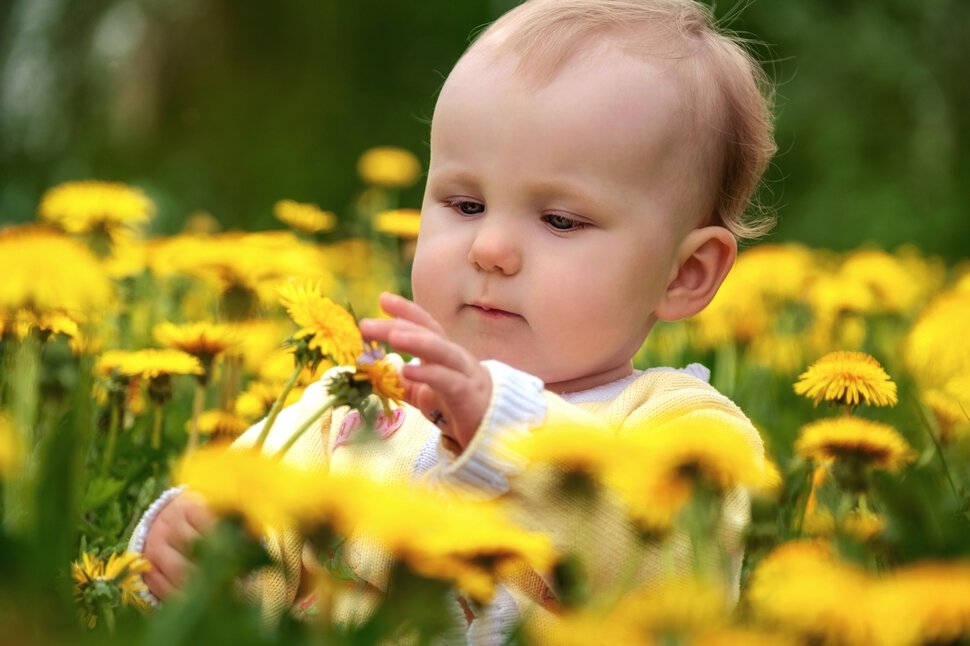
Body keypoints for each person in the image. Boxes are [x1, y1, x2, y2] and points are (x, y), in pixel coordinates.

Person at [130, 0, 775, 640]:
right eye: (465, 204)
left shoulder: (686, 432)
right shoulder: (360, 403)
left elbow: (676, 582)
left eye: (560, 220)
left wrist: (504, 429)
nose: (489, 248)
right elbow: (262, 536)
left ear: (684, 274)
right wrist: (200, 553)